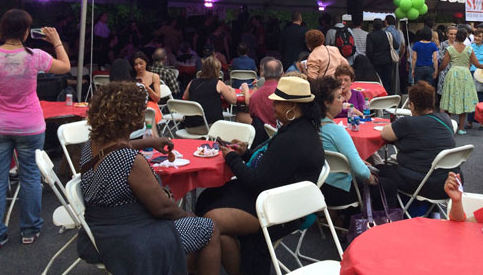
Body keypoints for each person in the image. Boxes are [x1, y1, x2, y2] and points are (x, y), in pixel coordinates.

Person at [78, 82, 220, 274]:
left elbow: (116, 146)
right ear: (130, 116)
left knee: (194, 226)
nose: (144, 113)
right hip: (133, 239)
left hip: (99, 231)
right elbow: (163, 209)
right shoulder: (130, 161)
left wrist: (151, 142)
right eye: (141, 110)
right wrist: (190, 216)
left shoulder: (91, 144)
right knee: (208, 229)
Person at [194, 77, 324, 275]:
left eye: (278, 101)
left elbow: (258, 182)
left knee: (210, 220)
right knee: (210, 204)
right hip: (275, 196)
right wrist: (245, 153)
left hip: (280, 210)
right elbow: (272, 167)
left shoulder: (294, 138)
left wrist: (231, 158)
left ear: (293, 106)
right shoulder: (299, 129)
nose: (273, 104)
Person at [0, 10, 70, 252]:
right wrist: (56, 41)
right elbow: (65, 66)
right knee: (31, 176)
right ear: (25, 32)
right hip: (30, 125)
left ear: (2, 29)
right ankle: (29, 230)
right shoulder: (36, 56)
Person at [378, 82, 458, 200]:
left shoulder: (407, 123)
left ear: (412, 105)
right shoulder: (445, 119)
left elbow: (384, 133)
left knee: (380, 170)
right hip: (450, 183)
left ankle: (393, 211)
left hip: (421, 183)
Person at [315, 77, 379, 206]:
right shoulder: (336, 131)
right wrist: (371, 179)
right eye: (339, 97)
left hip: (321, 186)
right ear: (327, 103)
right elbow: (360, 171)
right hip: (340, 190)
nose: (343, 100)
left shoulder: (314, 125)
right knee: (388, 185)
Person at [439, 29, 483, 134]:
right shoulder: (469, 49)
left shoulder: (450, 49)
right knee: (463, 98)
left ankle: (448, 127)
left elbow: (444, 64)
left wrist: (438, 70)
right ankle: (461, 128)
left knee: (450, 99)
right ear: (465, 38)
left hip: (453, 74)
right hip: (465, 74)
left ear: (456, 37)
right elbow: (477, 64)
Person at [182, 56, 239, 132]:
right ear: (217, 70)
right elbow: (233, 100)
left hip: (190, 127)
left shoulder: (192, 82)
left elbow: (185, 98)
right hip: (211, 127)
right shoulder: (218, 84)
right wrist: (231, 89)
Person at [366, 18, 399, 94]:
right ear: (382, 25)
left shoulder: (370, 36)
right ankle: (387, 95)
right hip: (387, 61)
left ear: (373, 26)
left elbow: (369, 51)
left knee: (377, 81)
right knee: (387, 80)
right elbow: (396, 46)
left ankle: (379, 95)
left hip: (375, 62)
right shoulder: (387, 34)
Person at [248, 58, 283, 127]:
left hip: (260, 135)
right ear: (282, 74)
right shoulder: (283, 94)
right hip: (279, 134)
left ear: (263, 74)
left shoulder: (253, 97)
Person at [436, 26, 457, 99]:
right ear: (447, 34)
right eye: (451, 34)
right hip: (445, 70)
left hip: (456, 70)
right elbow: (440, 57)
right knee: (444, 92)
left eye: (455, 34)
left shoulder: (459, 45)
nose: (453, 36)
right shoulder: (443, 44)